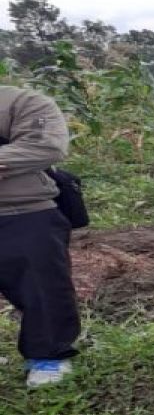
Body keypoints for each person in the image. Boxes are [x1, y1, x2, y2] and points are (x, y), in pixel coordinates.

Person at [0, 86, 81, 387]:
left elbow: (44, 147)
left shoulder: (22, 102)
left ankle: (48, 357)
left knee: (42, 287)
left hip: (21, 210)